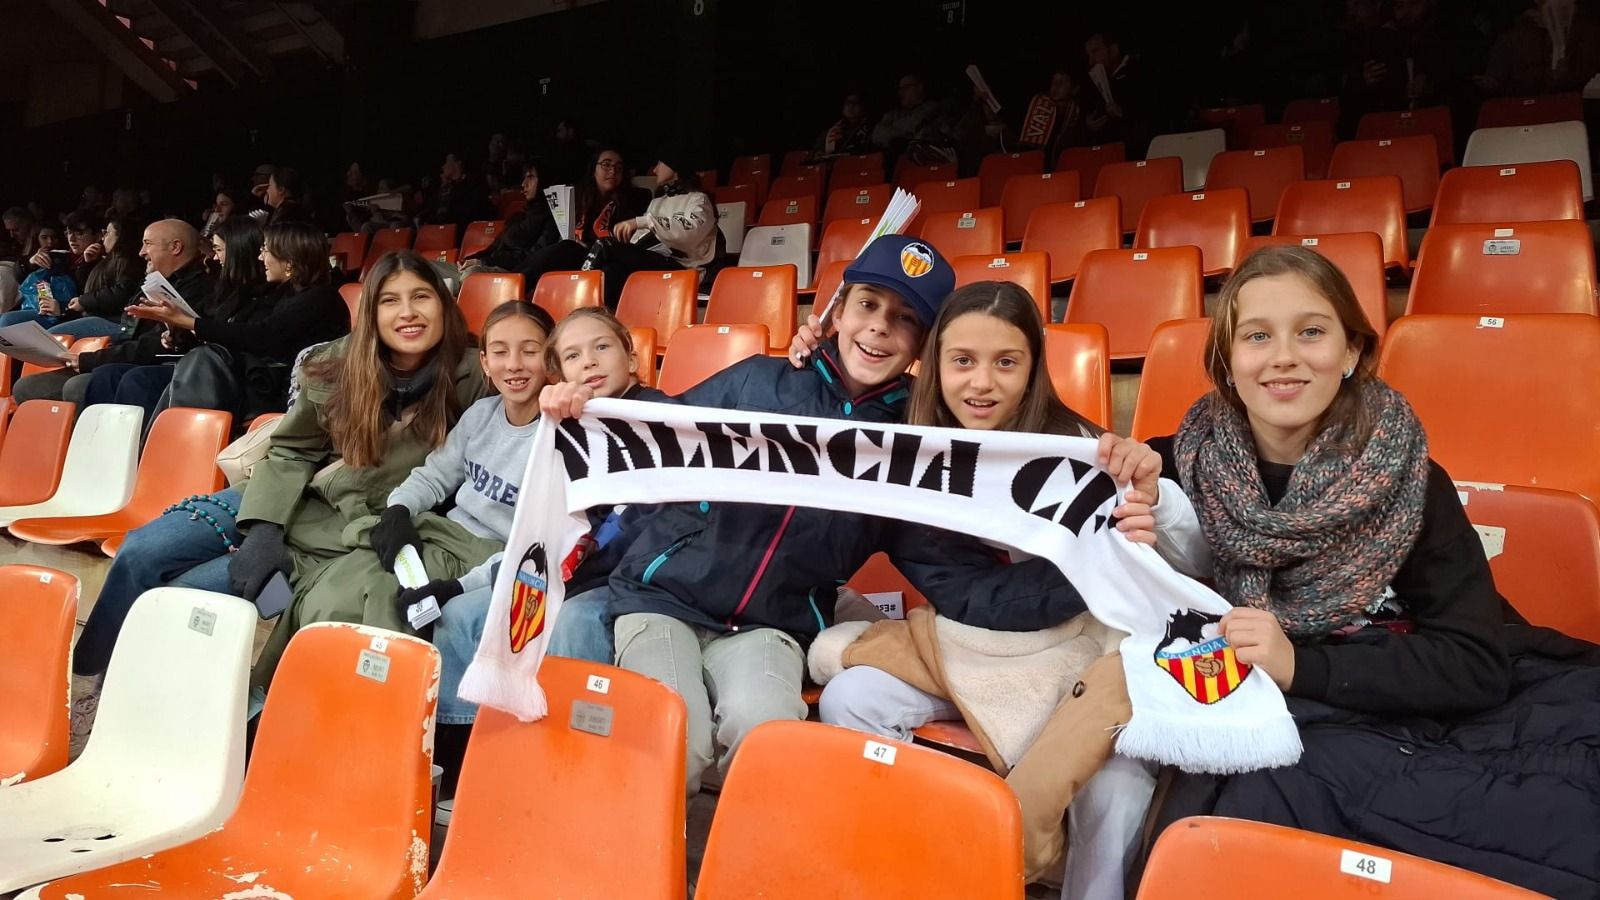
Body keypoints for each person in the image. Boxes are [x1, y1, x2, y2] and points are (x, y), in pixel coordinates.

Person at [1125, 245, 1600, 897]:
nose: (1284, 355)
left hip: (1400, 703)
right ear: (1227, 364)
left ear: (1350, 353)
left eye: (1311, 332)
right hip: (1269, 714)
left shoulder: (1409, 483)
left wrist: (1302, 666)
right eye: (1257, 336)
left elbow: (1473, 662)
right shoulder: (1176, 467)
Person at [539, 236, 1061, 798]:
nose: (880, 327)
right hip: (664, 601)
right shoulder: (759, 379)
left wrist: (1082, 579)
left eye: (905, 318)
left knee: (767, 745)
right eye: (867, 305)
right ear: (835, 311)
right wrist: (575, 417)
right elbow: (652, 438)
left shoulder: (909, 442)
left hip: (774, 626)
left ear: (925, 343)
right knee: (673, 742)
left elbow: (955, 579)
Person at [796, 282, 1169, 898]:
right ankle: (918, 869)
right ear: (935, 363)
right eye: (963, 361)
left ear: (1033, 369)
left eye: (1006, 363)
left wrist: (1153, 509)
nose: (981, 384)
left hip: (1081, 650)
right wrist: (816, 357)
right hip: (965, 643)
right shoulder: (911, 450)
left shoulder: (1088, 449)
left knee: (1120, 778)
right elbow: (962, 592)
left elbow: (1168, 559)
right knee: (851, 697)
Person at [67, 252, 483, 749]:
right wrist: (263, 529)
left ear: (444, 305)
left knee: (184, 593)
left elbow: (541, 373)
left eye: (421, 297)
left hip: (344, 526)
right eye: (390, 300)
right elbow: (291, 450)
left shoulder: (475, 374)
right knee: (142, 550)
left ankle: (157, 703)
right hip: (279, 496)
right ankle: (89, 678)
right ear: (371, 312)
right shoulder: (337, 362)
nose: (407, 313)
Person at [113, 220, 349, 426]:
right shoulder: (284, 293)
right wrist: (180, 327)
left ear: (288, 259)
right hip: (254, 380)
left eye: (265, 250)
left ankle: (178, 448)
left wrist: (189, 322)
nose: (260, 258)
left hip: (276, 388)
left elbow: (262, 336)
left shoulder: (320, 298)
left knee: (203, 359)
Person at [13, 219, 214, 406]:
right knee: (25, 387)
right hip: (117, 358)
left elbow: (151, 346)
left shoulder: (195, 289)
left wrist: (91, 360)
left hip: (140, 367)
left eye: (148, 244)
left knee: (78, 387)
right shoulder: (154, 280)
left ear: (175, 247)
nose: (141, 252)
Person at [591, 148, 718, 308]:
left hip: (682, 266)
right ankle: (601, 315)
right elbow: (641, 237)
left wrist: (641, 222)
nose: (655, 169)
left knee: (606, 246)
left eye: (659, 164)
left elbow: (689, 231)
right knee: (613, 269)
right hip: (654, 258)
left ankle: (580, 301)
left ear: (674, 166)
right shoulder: (657, 202)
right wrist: (628, 250)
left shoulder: (698, 200)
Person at [514, 146, 648, 287]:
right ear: (593, 170)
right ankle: (514, 280)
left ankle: (517, 282)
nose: (613, 171)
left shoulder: (633, 200)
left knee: (566, 248)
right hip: (575, 255)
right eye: (606, 165)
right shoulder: (578, 197)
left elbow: (629, 244)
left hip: (606, 258)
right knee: (563, 247)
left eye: (618, 167)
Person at [48, 214, 148, 341]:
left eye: (107, 233)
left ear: (121, 236)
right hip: (94, 315)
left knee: (52, 338)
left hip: (113, 320)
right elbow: (90, 288)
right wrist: (87, 264)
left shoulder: (127, 259)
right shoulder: (109, 259)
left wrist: (84, 301)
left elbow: (122, 293)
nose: (103, 238)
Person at [1478, 0, 1600, 97]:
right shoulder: (1512, 37)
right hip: (1519, 111)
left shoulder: (1585, 33)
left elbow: (1589, 78)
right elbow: (1496, 79)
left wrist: (1564, 78)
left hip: (1567, 108)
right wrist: (1490, 83)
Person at [462, 161, 561, 273]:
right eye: (524, 178)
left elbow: (532, 258)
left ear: (544, 181)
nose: (524, 184)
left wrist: (484, 262)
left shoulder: (552, 219)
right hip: (487, 265)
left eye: (531, 177)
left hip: (508, 273)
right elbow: (492, 249)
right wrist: (467, 260)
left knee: (471, 273)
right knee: (438, 269)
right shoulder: (517, 217)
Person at [1083, 31, 1158, 152]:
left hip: (1140, 155)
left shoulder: (1140, 73)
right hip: (1108, 155)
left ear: (1113, 49)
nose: (1091, 61)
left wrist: (1124, 113)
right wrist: (1089, 126)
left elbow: (1155, 116)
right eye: (1088, 55)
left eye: (1095, 51)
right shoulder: (1094, 84)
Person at [2, 225, 74, 329]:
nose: (50, 242)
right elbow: (19, 275)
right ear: (36, 239)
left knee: (8, 320)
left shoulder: (68, 258)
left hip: (60, 311)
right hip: (34, 307)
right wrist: (31, 263)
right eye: (44, 237)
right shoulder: (30, 260)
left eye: (53, 237)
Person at [1018, 69, 1092, 162]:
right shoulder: (1038, 105)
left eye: (1062, 82)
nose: (1056, 86)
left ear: (1075, 89)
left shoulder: (1077, 114)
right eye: (1054, 81)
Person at [419, 151, 496, 232]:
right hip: (445, 232)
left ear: (457, 164)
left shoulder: (474, 184)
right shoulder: (445, 189)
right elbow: (433, 210)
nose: (443, 167)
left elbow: (470, 212)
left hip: (468, 232)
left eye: (446, 162)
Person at [871, 73, 941, 156]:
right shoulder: (893, 114)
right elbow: (877, 134)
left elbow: (918, 129)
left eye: (906, 88)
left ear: (920, 87)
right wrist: (906, 136)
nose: (901, 93)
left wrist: (894, 131)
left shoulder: (932, 108)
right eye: (900, 89)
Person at [812, 93, 873, 158]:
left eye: (856, 103)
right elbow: (817, 150)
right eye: (847, 103)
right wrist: (818, 153)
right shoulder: (831, 132)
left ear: (863, 108)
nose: (851, 106)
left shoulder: (871, 130)